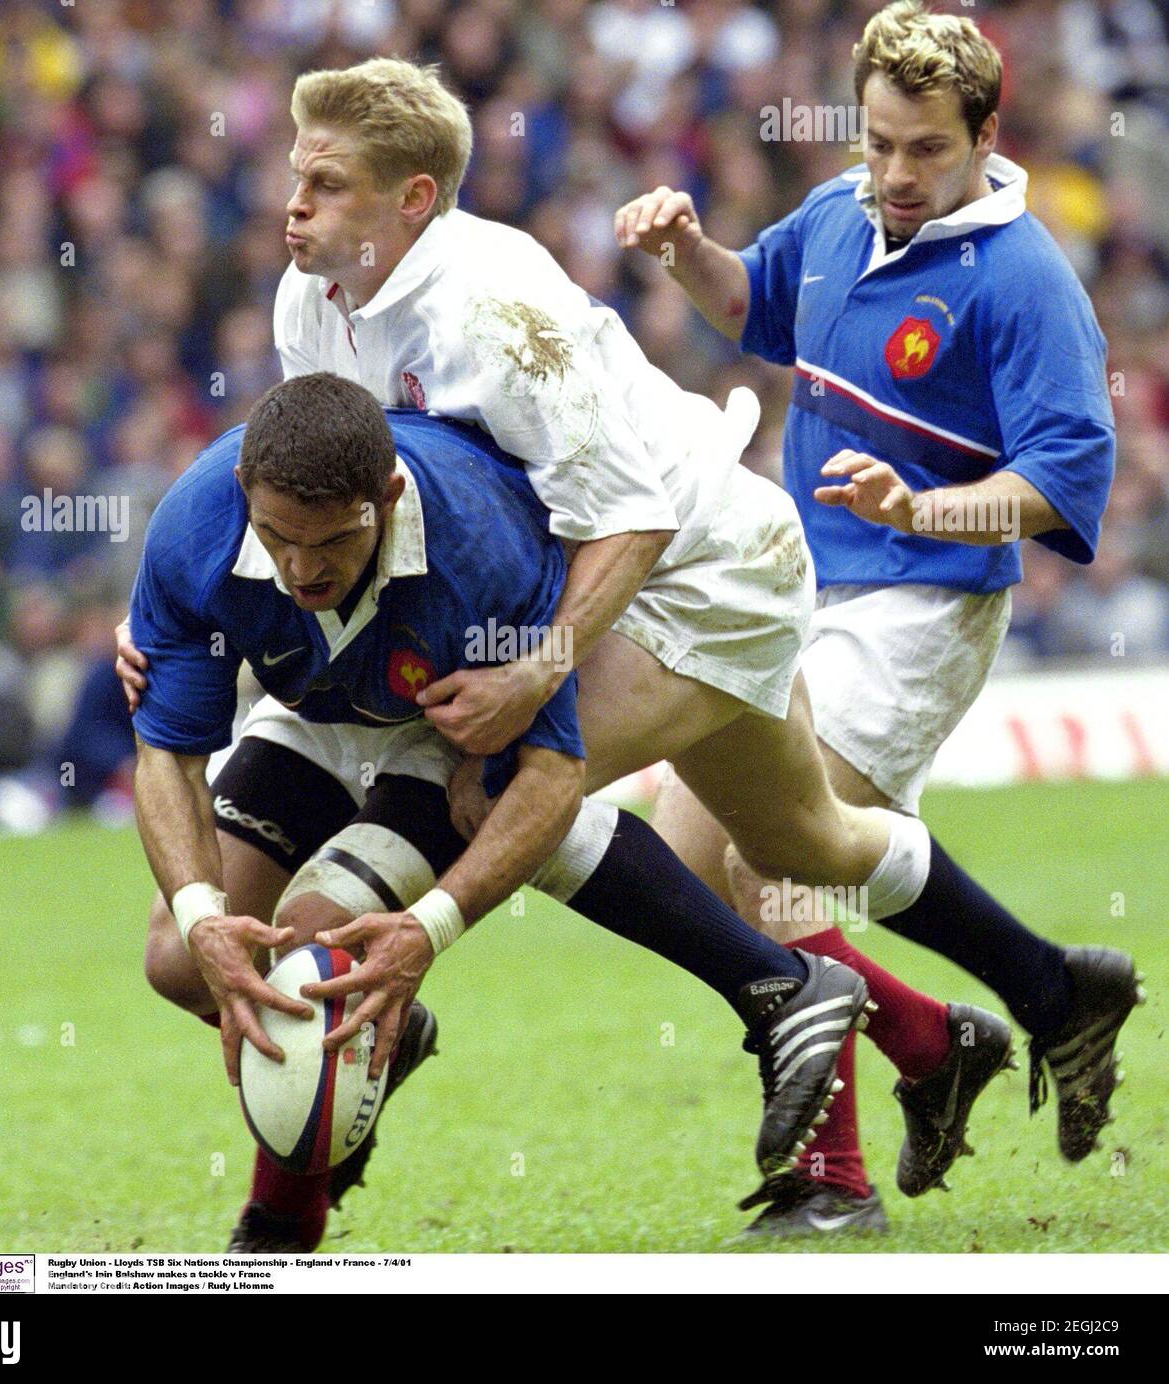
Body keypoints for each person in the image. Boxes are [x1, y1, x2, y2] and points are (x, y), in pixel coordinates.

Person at [115, 54, 1035, 1237]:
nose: (292, 206)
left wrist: (534, 667)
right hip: (505, 576)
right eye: (296, 177)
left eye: (326, 184)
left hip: (697, 568)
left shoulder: (498, 309)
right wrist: (181, 618)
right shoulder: (311, 299)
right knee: (806, 839)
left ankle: (788, 1017)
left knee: (490, 791)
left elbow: (631, 516)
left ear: (413, 200)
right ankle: (952, 1024)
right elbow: (317, 477)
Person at [131, 373, 873, 1252]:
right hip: (324, 702)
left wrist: (429, 930)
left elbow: (554, 776)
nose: (300, 569)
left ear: (387, 498)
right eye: (276, 539)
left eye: (330, 541)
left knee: (329, 944)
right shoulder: (195, 527)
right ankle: (857, 1007)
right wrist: (203, 917)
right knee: (181, 959)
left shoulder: (479, 542)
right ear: (243, 492)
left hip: (538, 656)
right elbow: (166, 758)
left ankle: (281, 1229)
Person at [614, 0, 1144, 1228]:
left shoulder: (1022, 277)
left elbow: (1065, 477)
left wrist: (923, 507)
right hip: (793, 589)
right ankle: (970, 1022)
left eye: (927, 149)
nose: (897, 174)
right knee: (683, 856)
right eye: (879, 143)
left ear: (985, 137)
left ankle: (830, 1179)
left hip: (921, 604)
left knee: (773, 851)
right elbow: (752, 309)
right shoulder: (835, 216)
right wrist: (683, 248)